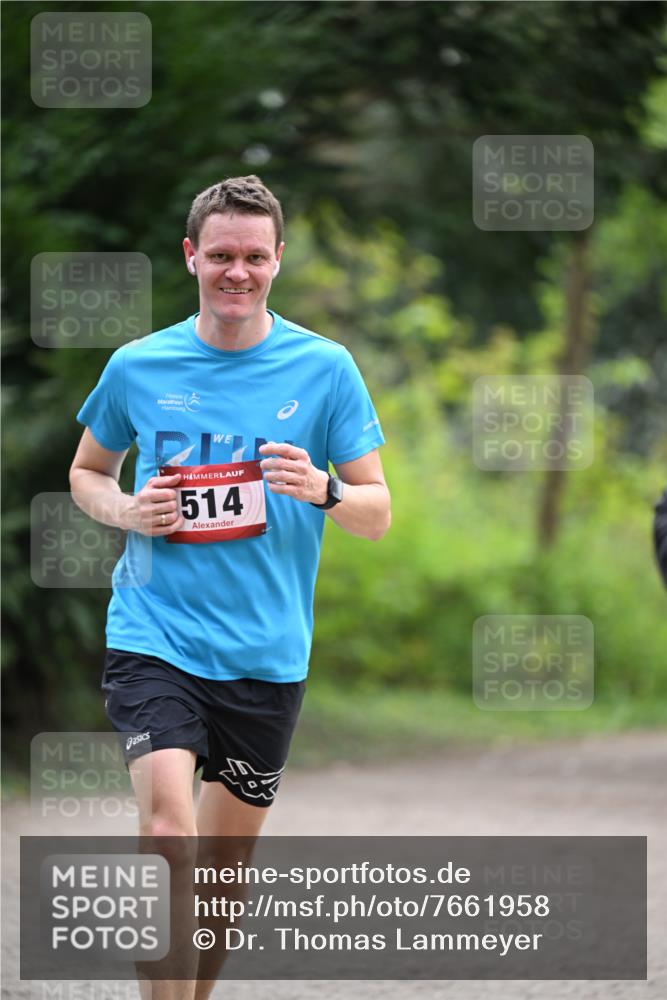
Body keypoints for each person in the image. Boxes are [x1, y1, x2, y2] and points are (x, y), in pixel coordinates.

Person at [69, 174, 391, 998]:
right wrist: (128, 510)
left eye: (254, 256)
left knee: (221, 866)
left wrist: (323, 490)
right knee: (169, 833)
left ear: (278, 260)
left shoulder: (324, 369)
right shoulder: (139, 366)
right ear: (191, 257)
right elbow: (86, 472)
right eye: (220, 256)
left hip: (265, 651)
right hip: (156, 633)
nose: (236, 272)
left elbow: (376, 511)